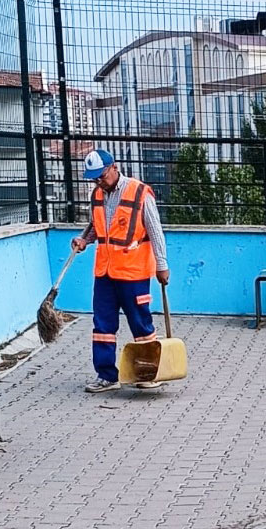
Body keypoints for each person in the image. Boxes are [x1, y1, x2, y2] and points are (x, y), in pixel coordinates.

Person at [71, 149, 171, 393]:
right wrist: (84, 240)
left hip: (133, 273)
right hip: (104, 272)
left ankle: (147, 374)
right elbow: (97, 226)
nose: (99, 181)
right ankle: (106, 375)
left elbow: (156, 231)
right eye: (94, 178)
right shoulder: (97, 194)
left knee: (141, 324)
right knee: (102, 325)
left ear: (114, 167)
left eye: (102, 176)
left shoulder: (139, 192)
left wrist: (162, 265)